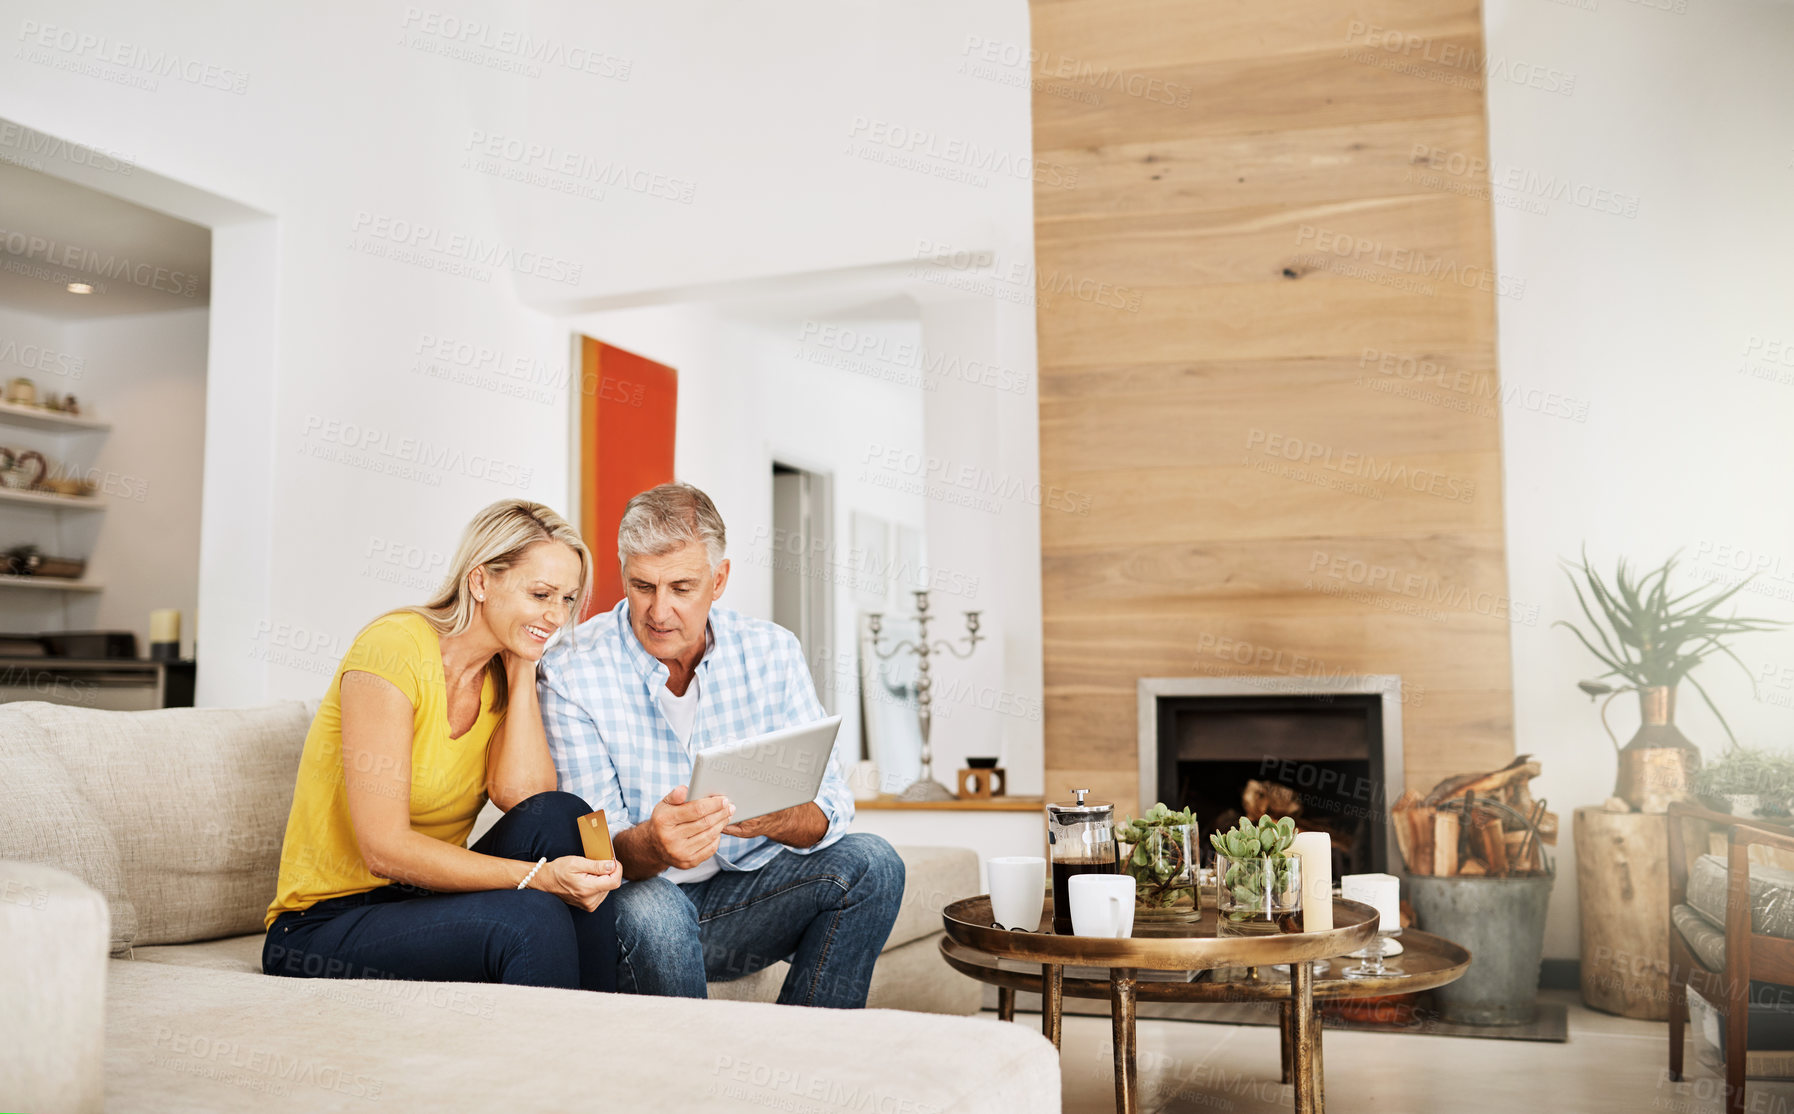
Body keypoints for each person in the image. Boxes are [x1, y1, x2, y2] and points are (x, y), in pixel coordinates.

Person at [538, 482, 904, 1008]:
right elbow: (595, 846)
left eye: (681, 588)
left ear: (720, 579)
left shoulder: (771, 651)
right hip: (639, 903)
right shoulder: (572, 670)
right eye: (642, 586)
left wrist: (773, 818)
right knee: (654, 910)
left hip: (743, 897)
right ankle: (694, 1078)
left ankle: (808, 1058)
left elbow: (831, 809)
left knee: (874, 863)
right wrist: (655, 844)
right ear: (624, 573)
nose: (659, 612)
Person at [264, 500, 621, 992]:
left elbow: (529, 801)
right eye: (540, 594)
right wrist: (536, 878)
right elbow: (383, 850)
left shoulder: (501, 673)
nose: (556, 616)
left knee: (565, 817)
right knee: (531, 917)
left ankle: (607, 1029)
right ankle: (561, 1058)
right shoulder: (394, 648)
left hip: (421, 899)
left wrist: (523, 668)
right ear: (480, 581)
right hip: (322, 924)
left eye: (567, 599)